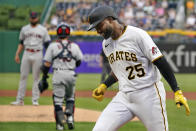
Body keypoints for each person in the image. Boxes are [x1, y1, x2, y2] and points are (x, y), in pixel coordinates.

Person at [88, 6, 190, 131]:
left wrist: (176, 90)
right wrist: (104, 85)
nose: (98, 30)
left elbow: (160, 61)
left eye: (99, 25)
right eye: (95, 28)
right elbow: (119, 70)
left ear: (109, 19)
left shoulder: (137, 35)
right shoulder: (106, 44)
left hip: (149, 94)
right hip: (124, 96)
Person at [38, 23, 83, 130]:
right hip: (71, 74)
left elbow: (46, 65)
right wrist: (70, 65)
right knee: (70, 97)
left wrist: (44, 78)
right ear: (68, 33)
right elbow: (79, 61)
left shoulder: (52, 46)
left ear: (57, 33)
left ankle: (60, 124)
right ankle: (70, 117)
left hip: (58, 73)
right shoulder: (75, 46)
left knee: (57, 101)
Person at [11, 12, 51, 106]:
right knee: (23, 76)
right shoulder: (24, 29)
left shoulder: (43, 29)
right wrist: (17, 54)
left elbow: (47, 44)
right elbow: (21, 43)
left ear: (38, 18)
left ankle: (35, 100)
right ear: (30, 18)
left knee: (36, 77)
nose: (33, 19)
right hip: (27, 52)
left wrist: (48, 57)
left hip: (38, 53)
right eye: (32, 18)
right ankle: (20, 100)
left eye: (35, 18)